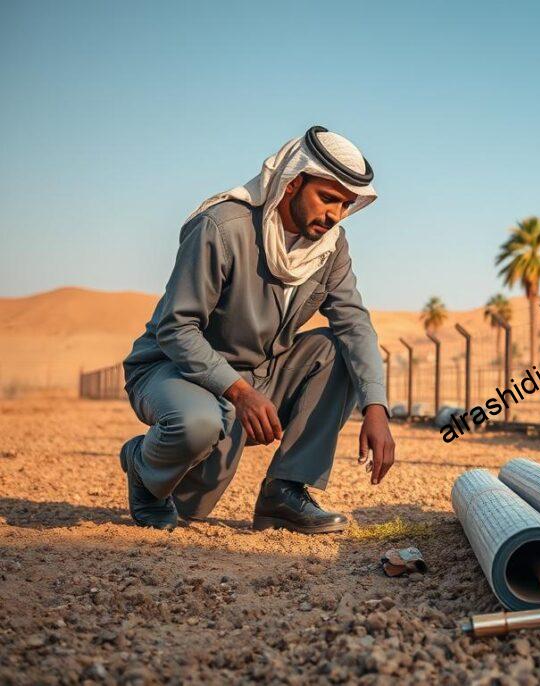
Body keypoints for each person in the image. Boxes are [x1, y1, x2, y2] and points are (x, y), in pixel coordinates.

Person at [119, 126, 397, 533]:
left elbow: (355, 323)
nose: (335, 214)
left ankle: (283, 492)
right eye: (327, 198)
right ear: (293, 182)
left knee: (337, 348)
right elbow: (177, 328)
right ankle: (144, 466)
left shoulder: (330, 246)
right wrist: (241, 393)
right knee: (195, 444)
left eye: (345, 204)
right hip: (176, 370)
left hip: (255, 378)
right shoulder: (222, 228)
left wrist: (376, 407)